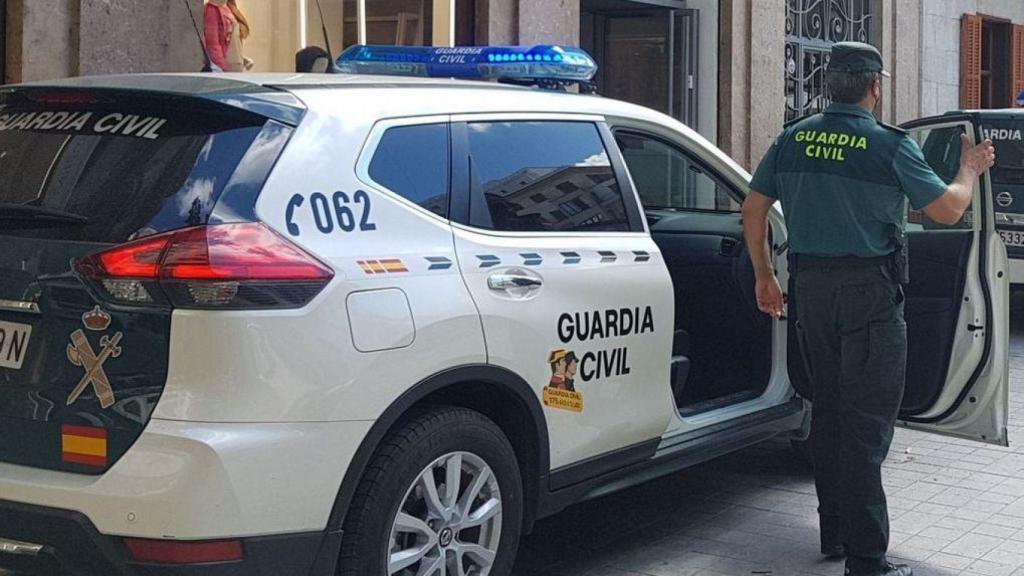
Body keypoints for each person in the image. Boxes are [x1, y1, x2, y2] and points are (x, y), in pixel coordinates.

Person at [743, 42, 995, 576]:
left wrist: (766, 274)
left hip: (810, 292)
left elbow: (754, 204)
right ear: (875, 87)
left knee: (830, 415)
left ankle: (834, 531)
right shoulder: (889, 144)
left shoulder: (793, 138)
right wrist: (969, 169)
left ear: (829, 83)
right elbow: (948, 211)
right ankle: (867, 560)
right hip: (870, 299)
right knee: (866, 428)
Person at [204, 0, 252, 72]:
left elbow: (232, 40)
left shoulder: (230, 7)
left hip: (237, 63)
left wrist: (243, 58)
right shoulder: (212, 9)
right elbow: (212, 43)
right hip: (225, 66)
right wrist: (222, 68)